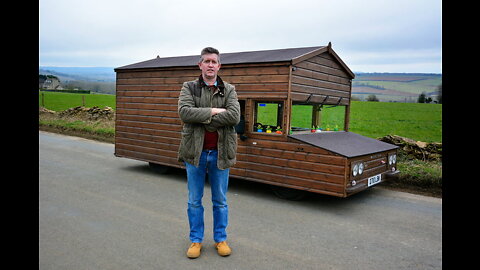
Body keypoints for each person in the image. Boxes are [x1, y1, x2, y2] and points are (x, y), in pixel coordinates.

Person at [177, 47, 240, 259]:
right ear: (200, 65)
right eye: (206, 61)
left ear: (219, 65)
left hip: (220, 153)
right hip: (195, 153)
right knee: (194, 200)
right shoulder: (189, 87)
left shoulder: (229, 89)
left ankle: (220, 239)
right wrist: (213, 111)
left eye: (214, 61)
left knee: (220, 200)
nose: (210, 65)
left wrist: (201, 117)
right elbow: (184, 113)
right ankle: (196, 241)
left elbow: (234, 117)